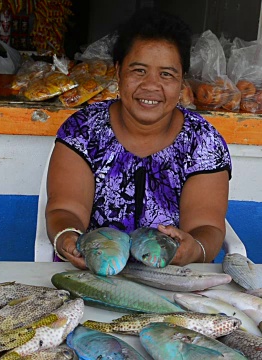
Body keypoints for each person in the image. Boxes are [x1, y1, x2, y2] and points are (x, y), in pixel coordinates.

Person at [45, 8, 231, 269]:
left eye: (166, 74)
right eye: (139, 70)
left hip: (173, 280)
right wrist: (67, 238)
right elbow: (65, 209)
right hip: (91, 275)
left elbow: (207, 226)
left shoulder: (203, 142)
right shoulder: (83, 130)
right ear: (119, 72)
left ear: (181, 82)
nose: (151, 85)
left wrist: (194, 249)